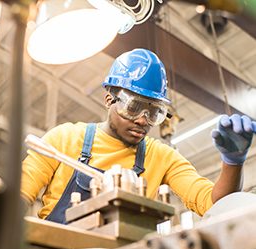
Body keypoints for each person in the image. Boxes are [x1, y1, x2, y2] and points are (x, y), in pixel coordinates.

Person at [21, 48, 256, 224]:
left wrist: (232, 163)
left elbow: (213, 204)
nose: (143, 120)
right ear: (109, 99)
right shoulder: (64, 139)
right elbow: (19, 195)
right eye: (133, 107)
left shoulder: (162, 156)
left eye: (154, 112)